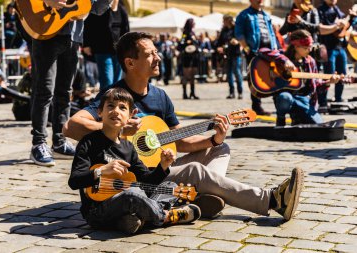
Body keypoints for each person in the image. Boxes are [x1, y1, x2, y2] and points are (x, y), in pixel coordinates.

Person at [63, 32, 304, 221]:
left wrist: (213, 139)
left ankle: (202, 196)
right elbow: (71, 127)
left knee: (222, 148)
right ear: (130, 62)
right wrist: (117, 130)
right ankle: (271, 200)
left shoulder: (161, 97)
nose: (159, 58)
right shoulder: (115, 98)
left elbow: (179, 142)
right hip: (135, 177)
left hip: (159, 166)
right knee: (196, 171)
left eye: (158, 51)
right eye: (150, 54)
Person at [68, 87, 201, 234]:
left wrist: (163, 165)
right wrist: (100, 171)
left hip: (127, 204)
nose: (116, 111)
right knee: (131, 194)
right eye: (110, 106)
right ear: (100, 112)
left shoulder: (128, 147)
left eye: (122, 108)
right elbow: (74, 181)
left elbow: (147, 182)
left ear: (131, 115)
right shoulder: (88, 142)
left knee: (169, 185)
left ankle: (134, 220)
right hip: (96, 212)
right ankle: (166, 216)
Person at [29, 0, 112, 167]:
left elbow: (96, 8)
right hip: (46, 31)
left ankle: (59, 141)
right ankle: (38, 143)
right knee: (44, 91)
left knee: (65, 92)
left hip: (73, 37)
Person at [258, 30, 341, 126]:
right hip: (286, 98)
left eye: (310, 47)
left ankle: (297, 118)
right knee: (284, 97)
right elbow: (261, 51)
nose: (309, 50)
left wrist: (328, 82)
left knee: (318, 124)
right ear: (296, 46)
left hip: (304, 100)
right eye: (306, 48)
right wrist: (284, 60)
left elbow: (316, 85)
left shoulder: (310, 61)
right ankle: (281, 118)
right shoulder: (283, 56)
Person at [235, 0, 280, 115]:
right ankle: (256, 106)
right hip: (254, 51)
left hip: (270, 52)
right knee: (254, 79)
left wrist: (275, 48)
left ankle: (278, 104)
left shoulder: (266, 15)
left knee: (273, 77)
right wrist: (247, 49)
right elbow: (239, 33)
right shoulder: (244, 15)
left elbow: (271, 33)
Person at [83, 0, 129, 92]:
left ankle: (115, 102)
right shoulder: (100, 7)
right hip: (101, 49)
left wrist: (127, 48)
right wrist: (86, 44)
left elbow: (126, 30)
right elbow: (88, 25)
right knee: (107, 80)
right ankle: (105, 103)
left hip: (119, 51)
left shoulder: (122, 10)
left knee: (117, 81)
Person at [318, 0, 347, 107]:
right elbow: (321, 28)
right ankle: (322, 102)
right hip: (328, 47)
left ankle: (338, 99)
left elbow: (344, 26)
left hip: (340, 48)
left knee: (342, 75)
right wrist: (337, 26)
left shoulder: (337, 9)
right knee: (328, 75)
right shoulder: (320, 10)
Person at [217, 15, 243, 99]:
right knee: (229, 74)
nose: (223, 22)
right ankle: (232, 93)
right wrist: (219, 47)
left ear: (229, 20)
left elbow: (241, 38)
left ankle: (240, 92)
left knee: (237, 72)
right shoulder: (224, 30)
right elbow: (219, 42)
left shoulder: (236, 28)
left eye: (224, 20)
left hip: (236, 53)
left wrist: (237, 41)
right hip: (228, 54)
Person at [178, 18, 200, 99]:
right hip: (187, 56)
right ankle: (184, 93)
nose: (194, 24)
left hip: (194, 56)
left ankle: (192, 93)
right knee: (186, 75)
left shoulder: (193, 33)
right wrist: (186, 42)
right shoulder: (185, 33)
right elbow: (181, 43)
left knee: (193, 75)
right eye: (193, 22)